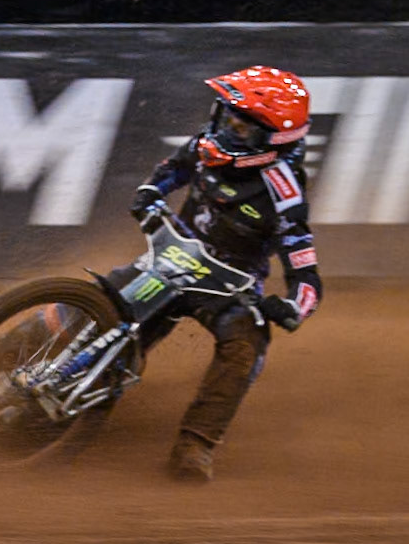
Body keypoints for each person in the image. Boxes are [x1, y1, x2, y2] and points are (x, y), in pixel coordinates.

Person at [126, 65, 321, 482]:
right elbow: (170, 171)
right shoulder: (205, 144)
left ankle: (195, 445)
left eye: (243, 126)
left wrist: (291, 308)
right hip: (172, 258)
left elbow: (306, 274)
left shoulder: (283, 192)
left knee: (247, 345)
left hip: (228, 285)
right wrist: (149, 191)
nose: (228, 129)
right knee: (102, 304)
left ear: (273, 140)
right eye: (227, 115)